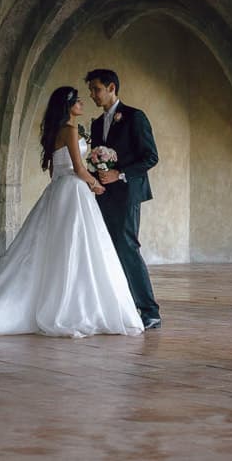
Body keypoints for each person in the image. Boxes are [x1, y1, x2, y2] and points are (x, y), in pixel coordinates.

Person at [0, 86, 143, 340]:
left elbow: (55, 172)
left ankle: (62, 303)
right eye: (78, 100)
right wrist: (95, 185)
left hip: (58, 191)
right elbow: (78, 168)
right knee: (77, 248)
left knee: (58, 248)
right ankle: (73, 308)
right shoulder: (71, 130)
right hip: (75, 191)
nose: (82, 103)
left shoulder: (56, 132)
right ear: (68, 105)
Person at [86, 68, 161, 329]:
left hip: (128, 192)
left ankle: (150, 311)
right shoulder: (96, 124)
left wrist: (119, 174)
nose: (93, 95)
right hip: (104, 195)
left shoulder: (134, 117)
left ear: (111, 88)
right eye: (91, 91)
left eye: (96, 89)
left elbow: (150, 157)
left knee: (127, 247)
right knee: (107, 248)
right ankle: (123, 306)